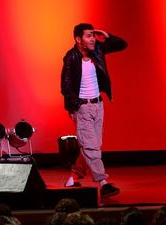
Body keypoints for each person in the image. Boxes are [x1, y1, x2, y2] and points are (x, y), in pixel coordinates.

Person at [61, 23, 127, 198]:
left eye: (93, 35)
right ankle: (103, 183)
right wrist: (76, 106)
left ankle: (74, 175)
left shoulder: (97, 50)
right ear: (78, 39)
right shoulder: (70, 58)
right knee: (91, 146)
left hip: (98, 106)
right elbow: (65, 86)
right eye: (88, 36)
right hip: (82, 107)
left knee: (93, 146)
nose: (92, 39)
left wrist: (106, 35)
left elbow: (122, 45)